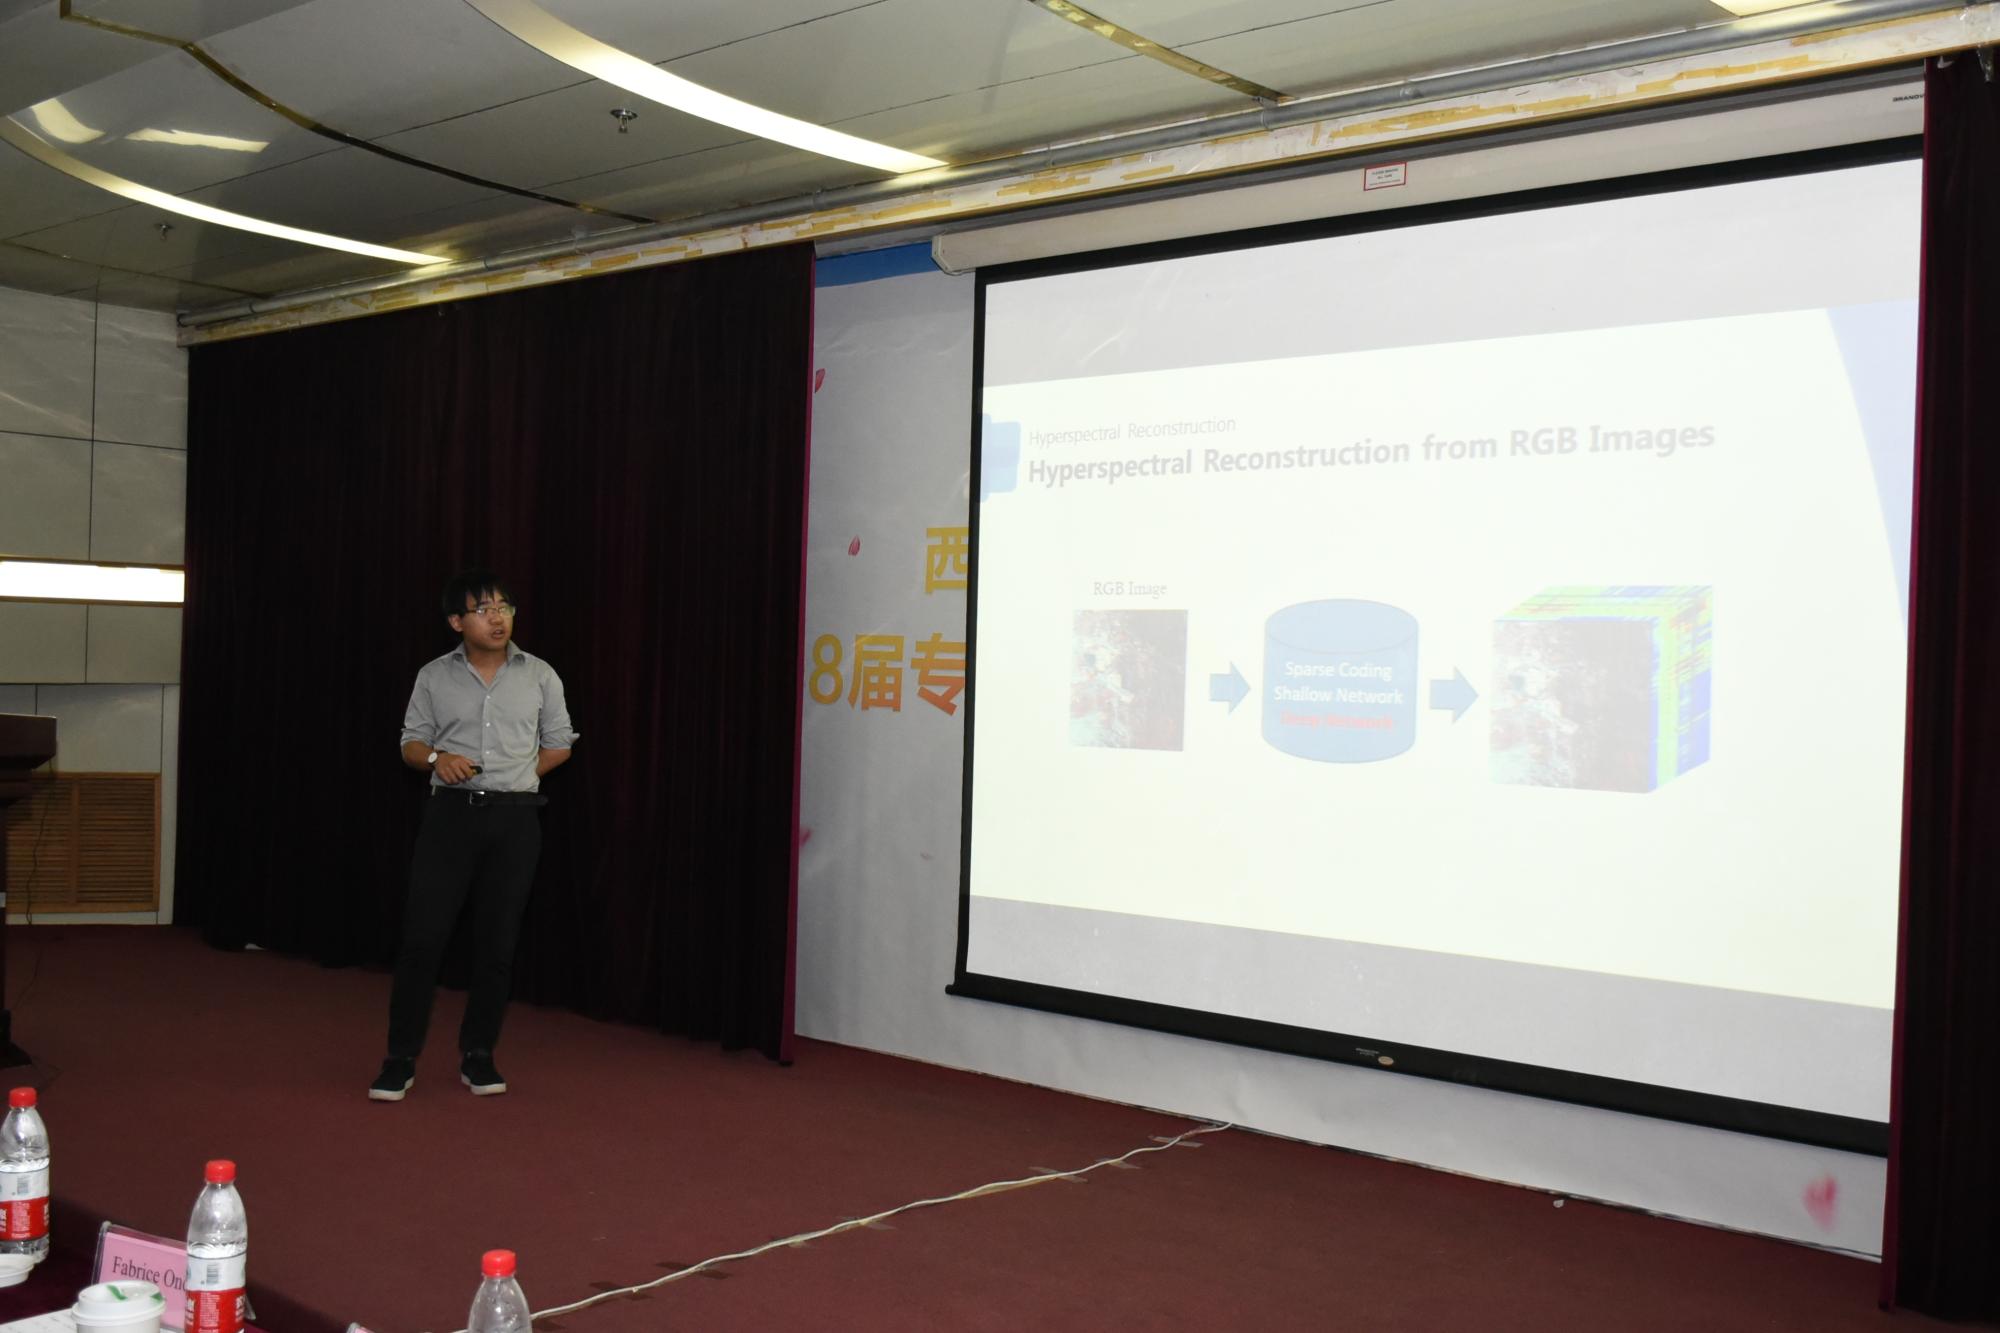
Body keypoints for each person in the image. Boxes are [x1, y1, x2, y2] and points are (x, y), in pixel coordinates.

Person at [368, 570, 578, 1102]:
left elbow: (559, 744)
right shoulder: (434, 676)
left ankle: (478, 1054)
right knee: (423, 940)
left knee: (498, 944)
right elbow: (411, 743)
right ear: (456, 621)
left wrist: (518, 776)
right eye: (483, 609)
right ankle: (399, 1059)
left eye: (504, 607)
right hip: (450, 819)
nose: (497, 618)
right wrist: (437, 759)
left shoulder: (540, 675)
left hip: (516, 822)